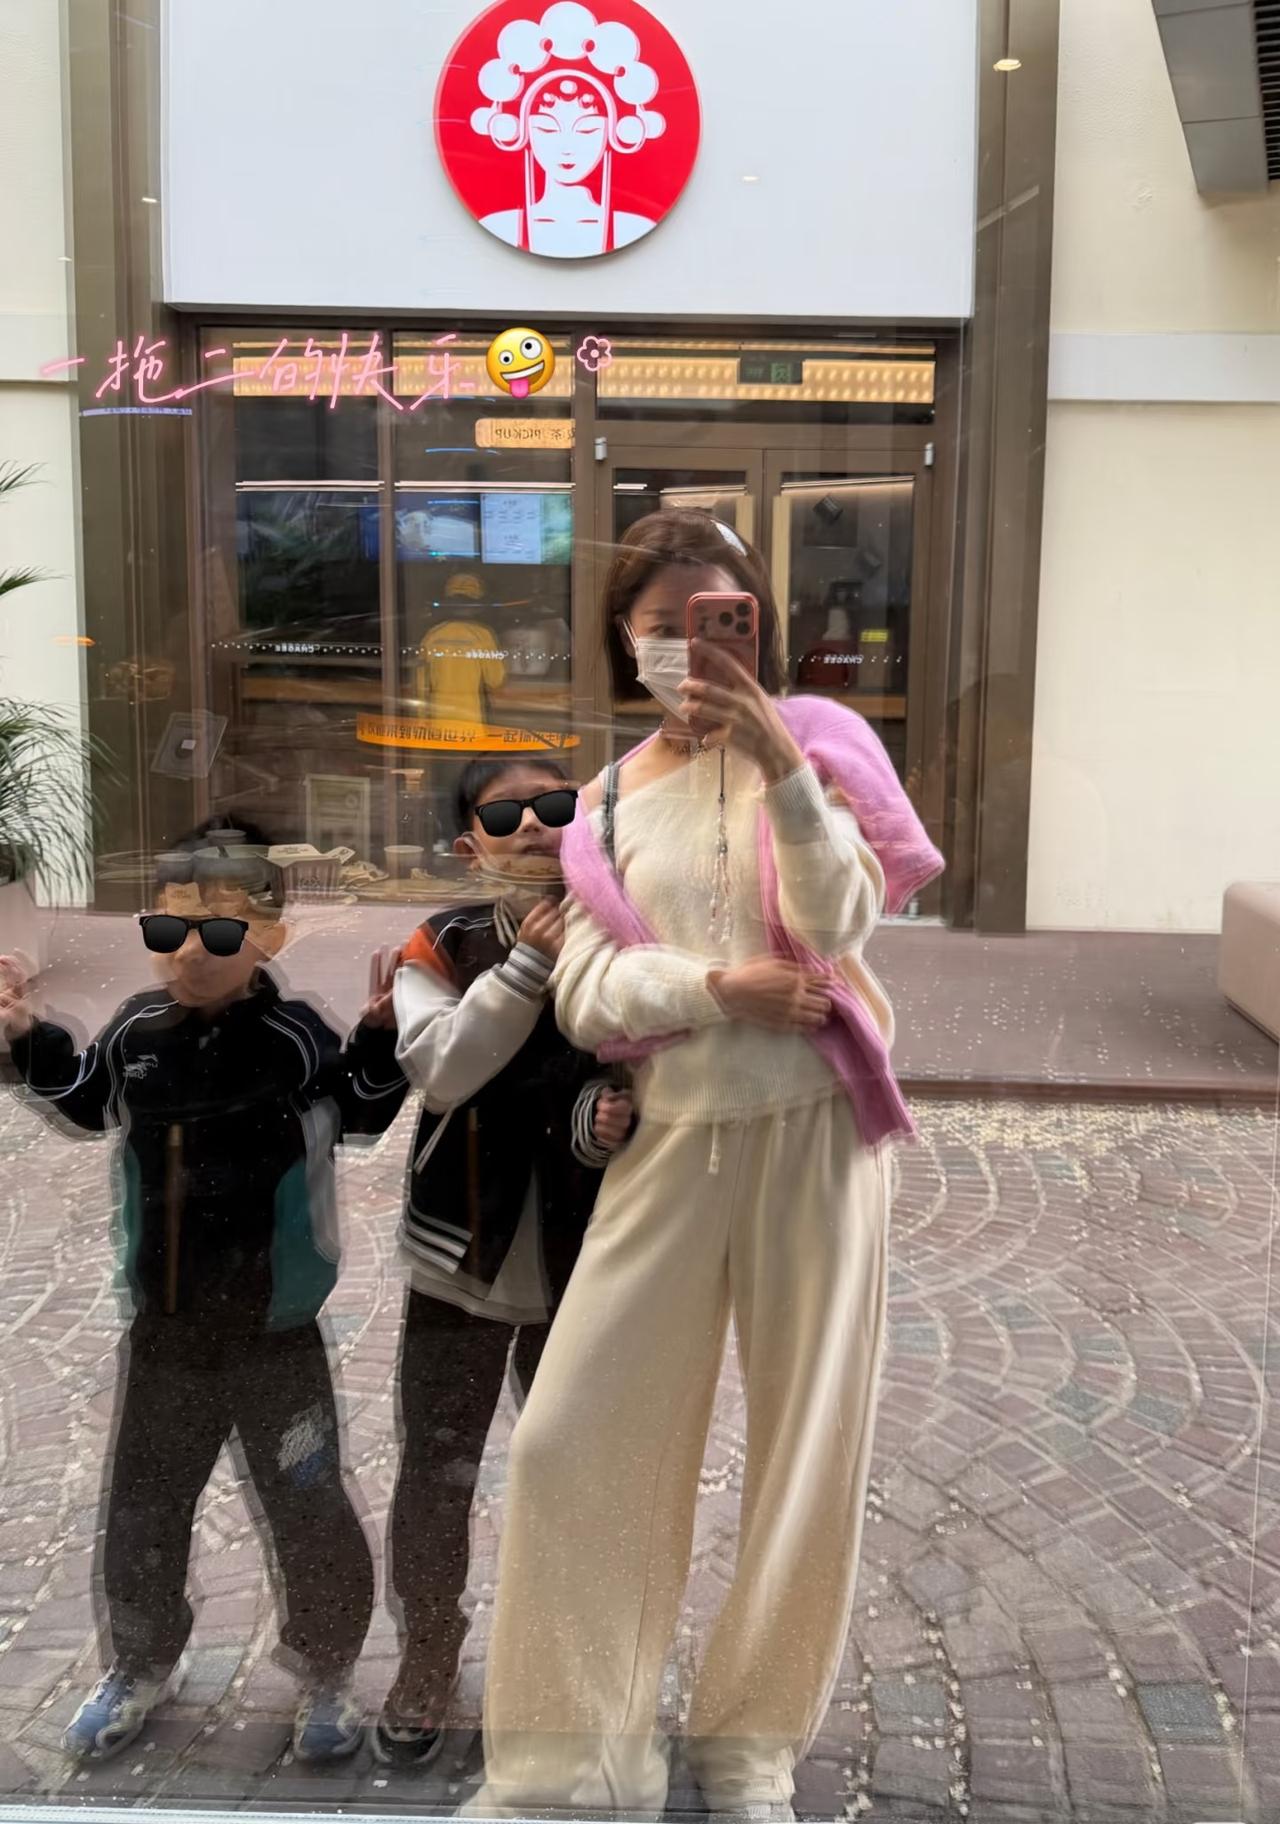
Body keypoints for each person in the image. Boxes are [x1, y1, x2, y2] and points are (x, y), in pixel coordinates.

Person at [467, 511, 943, 1818]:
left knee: (806, 1454)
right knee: (571, 1441)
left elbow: (840, 920)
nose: (690, 645)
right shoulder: (608, 801)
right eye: (661, 624)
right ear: (624, 640)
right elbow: (587, 994)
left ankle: (749, 1745)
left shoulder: (824, 747)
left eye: (717, 619)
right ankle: (571, 1761)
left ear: (756, 627)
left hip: (815, 1136)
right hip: (672, 1138)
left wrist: (781, 759)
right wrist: (718, 988)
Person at [0, 861, 407, 1765]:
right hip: (169, 1330)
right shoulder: (136, 1031)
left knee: (307, 1501)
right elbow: (85, 1103)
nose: (191, 951)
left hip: (275, 1329)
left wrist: (380, 1040)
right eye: (168, 930)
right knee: (145, 1506)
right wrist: (30, 1037)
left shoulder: (294, 1037)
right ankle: (142, 1662)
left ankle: (327, 1668)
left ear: (268, 941)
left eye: (220, 933)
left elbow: (364, 1114)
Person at [375, 757, 633, 1767]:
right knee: (436, 1471)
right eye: (504, 812)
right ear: (465, 843)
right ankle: (427, 1654)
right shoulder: (442, 942)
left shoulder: (627, 935)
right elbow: (440, 1069)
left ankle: (565, 1666)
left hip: (588, 1255)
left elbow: (642, 1079)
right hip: (460, 1257)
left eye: (556, 805)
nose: (532, 823)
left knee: (578, 1473)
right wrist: (524, 969)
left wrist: (600, 1121)